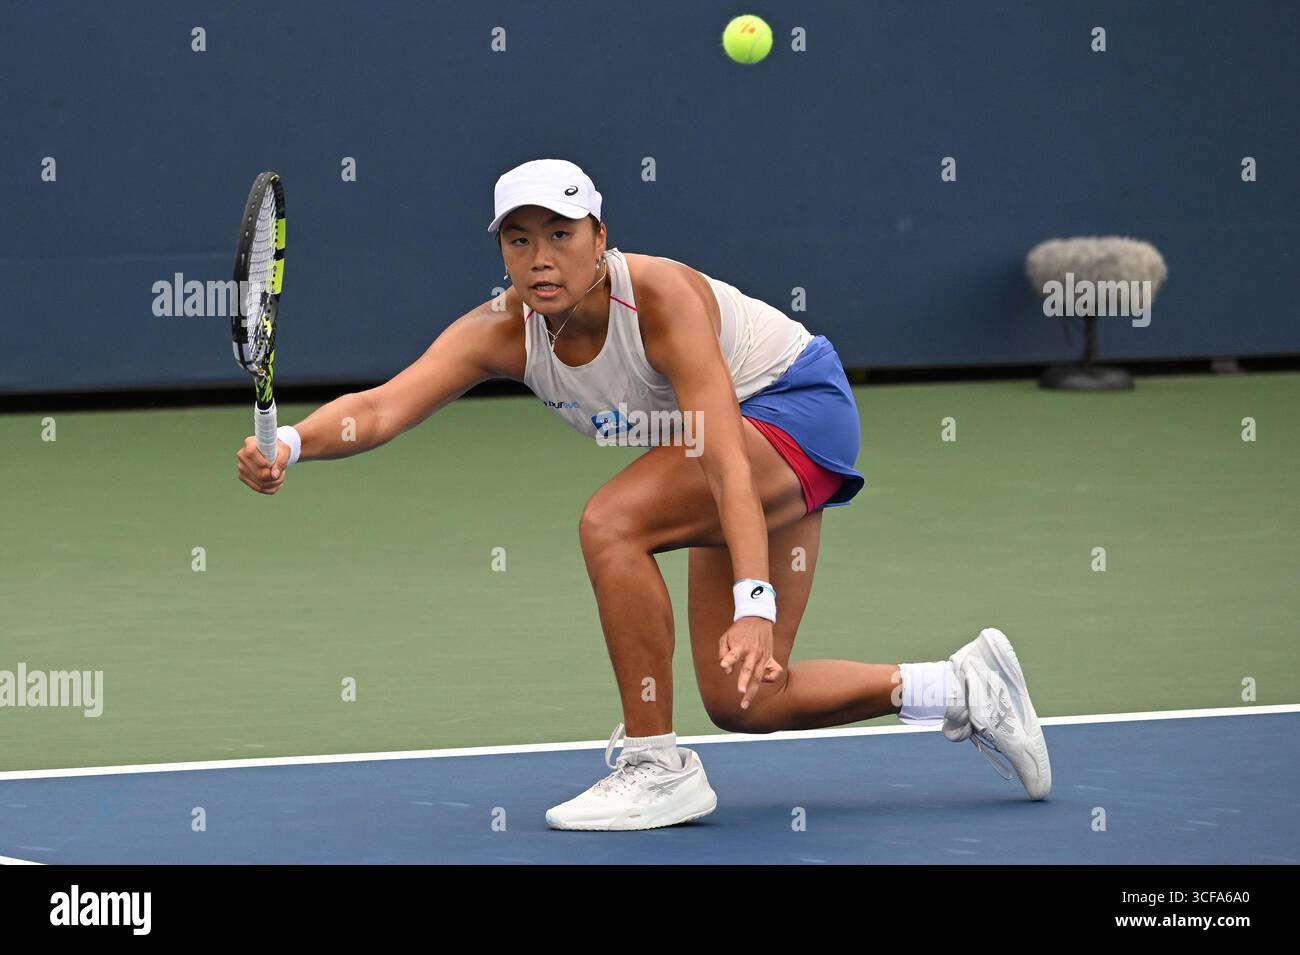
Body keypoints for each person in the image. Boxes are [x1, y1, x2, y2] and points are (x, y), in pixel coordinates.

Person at [236, 158, 1052, 831]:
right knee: (745, 698)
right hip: (721, 449)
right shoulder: (500, 327)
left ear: (601, 238)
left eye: (561, 235)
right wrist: (295, 444)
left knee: (612, 521)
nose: (540, 258)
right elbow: (383, 405)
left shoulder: (659, 298)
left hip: (795, 411)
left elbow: (727, 456)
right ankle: (963, 685)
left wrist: (753, 597)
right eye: (519, 241)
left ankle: (655, 761)